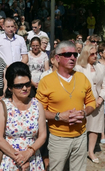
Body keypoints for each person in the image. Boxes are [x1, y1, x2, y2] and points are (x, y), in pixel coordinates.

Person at [36, 41, 96, 170]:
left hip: (80, 135)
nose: (73, 57)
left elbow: (91, 102)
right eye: (68, 54)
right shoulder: (46, 81)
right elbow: (38, 110)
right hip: (58, 138)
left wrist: (84, 112)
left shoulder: (82, 78)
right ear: (57, 58)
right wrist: (58, 116)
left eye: (75, 54)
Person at [0, 62, 46, 170]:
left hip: (33, 159)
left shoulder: (37, 105)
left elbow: (42, 136)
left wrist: (29, 152)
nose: (25, 88)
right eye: (19, 86)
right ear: (10, 88)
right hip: (10, 159)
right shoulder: (2, 106)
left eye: (27, 84)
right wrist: (20, 158)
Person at [75, 45, 105, 163]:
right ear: (86, 55)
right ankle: (79, 151)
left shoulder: (101, 67)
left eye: (96, 53)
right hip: (83, 103)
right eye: (92, 54)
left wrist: (100, 98)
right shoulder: (79, 68)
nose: (95, 56)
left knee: (95, 128)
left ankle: (91, 151)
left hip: (98, 104)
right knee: (82, 127)